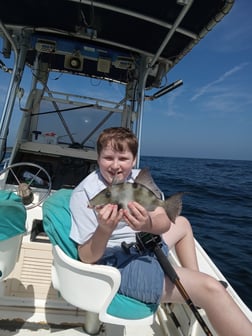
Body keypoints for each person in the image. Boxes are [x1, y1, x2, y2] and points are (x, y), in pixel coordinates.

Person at [70, 127, 252, 336]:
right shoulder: (84, 193)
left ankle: (192, 280)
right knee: (212, 289)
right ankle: (201, 291)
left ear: (134, 159)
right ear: (98, 157)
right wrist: (104, 229)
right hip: (115, 266)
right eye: (108, 157)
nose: (116, 165)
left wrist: (147, 223)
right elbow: (86, 257)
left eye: (124, 158)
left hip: (143, 244)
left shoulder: (138, 178)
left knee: (182, 223)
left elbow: (164, 220)